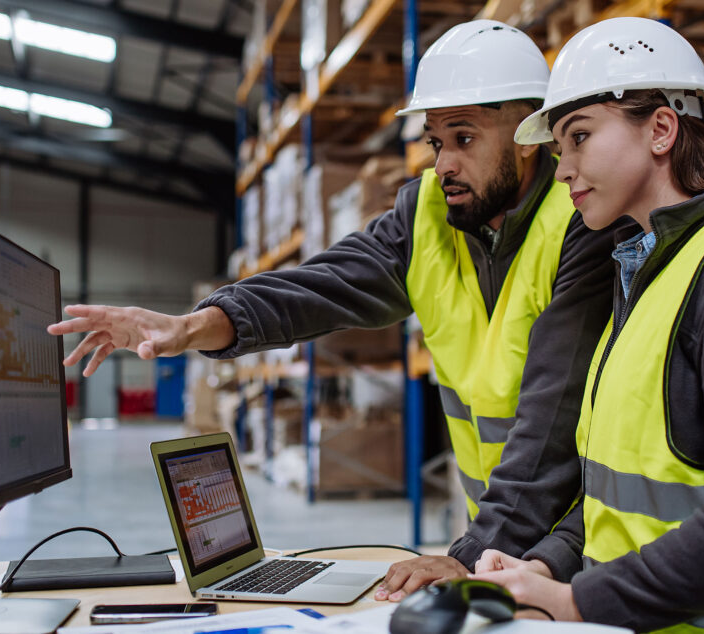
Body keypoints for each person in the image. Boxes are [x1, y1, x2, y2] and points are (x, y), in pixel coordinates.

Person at [48, 20, 618, 601]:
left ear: (527, 136)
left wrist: (469, 554)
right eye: (436, 142)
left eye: (464, 139)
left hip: (576, 545)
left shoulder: (582, 223)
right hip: (496, 538)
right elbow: (319, 286)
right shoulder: (424, 215)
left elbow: (551, 419)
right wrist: (192, 327)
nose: (443, 163)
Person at [469, 17, 704, 633]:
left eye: (579, 137)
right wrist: (543, 568)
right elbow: (627, 498)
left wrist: (578, 603)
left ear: (660, 129)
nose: (563, 169)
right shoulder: (643, 276)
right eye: (558, 149)